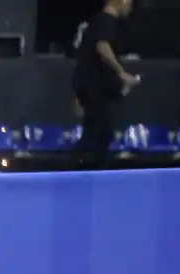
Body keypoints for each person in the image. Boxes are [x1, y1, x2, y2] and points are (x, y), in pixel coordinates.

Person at [71, 0, 138, 170]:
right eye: (129, 3)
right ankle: (82, 170)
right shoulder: (105, 21)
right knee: (99, 133)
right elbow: (102, 46)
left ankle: (86, 170)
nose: (130, 7)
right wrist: (121, 73)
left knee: (99, 133)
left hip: (94, 89)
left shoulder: (97, 22)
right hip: (94, 90)